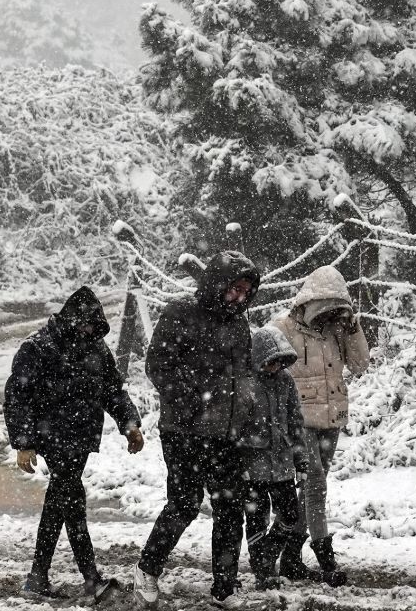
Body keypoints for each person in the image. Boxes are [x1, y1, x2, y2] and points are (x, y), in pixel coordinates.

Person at [133, 250, 261, 609]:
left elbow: (244, 372)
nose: (240, 297)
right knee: (184, 505)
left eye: (246, 292)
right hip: (184, 430)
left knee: (229, 508)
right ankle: (146, 570)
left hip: (227, 432)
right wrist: (195, 399)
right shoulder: (180, 313)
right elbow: (157, 366)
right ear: (218, 283)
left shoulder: (238, 323)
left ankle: (225, 588)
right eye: (235, 289)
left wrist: (246, 410)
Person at [4, 286, 145, 603]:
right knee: (73, 502)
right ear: (69, 319)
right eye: (83, 325)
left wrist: (130, 424)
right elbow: (18, 398)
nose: (87, 332)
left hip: (80, 440)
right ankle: (91, 579)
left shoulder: (96, 348)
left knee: (58, 503)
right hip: (52, 438)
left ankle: (37, 578)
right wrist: (24, 443)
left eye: (93, 327)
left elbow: (113, 390)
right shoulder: (38, 347)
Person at [272, 265, 370, 588]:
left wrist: (352, 327)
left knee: (311, 490)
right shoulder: (282, 328)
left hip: (331, 420)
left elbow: (360, 364)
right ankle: (325, 557)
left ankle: (290, 555)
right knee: (315, 486)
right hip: (299, 423)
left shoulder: (338, 330)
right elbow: (262, 362)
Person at [239, 325, 311, 589]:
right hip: (252, 466)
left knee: (290, 515)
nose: (276, 367)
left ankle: (267, 554)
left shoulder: (286, 381)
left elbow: (296, 422)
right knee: (256, 519)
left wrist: (300, 459)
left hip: (281, 465)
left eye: (281, 362)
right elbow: (234, 428)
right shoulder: (245, 383)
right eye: (271, 362)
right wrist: (239, 462)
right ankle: (262, 571)